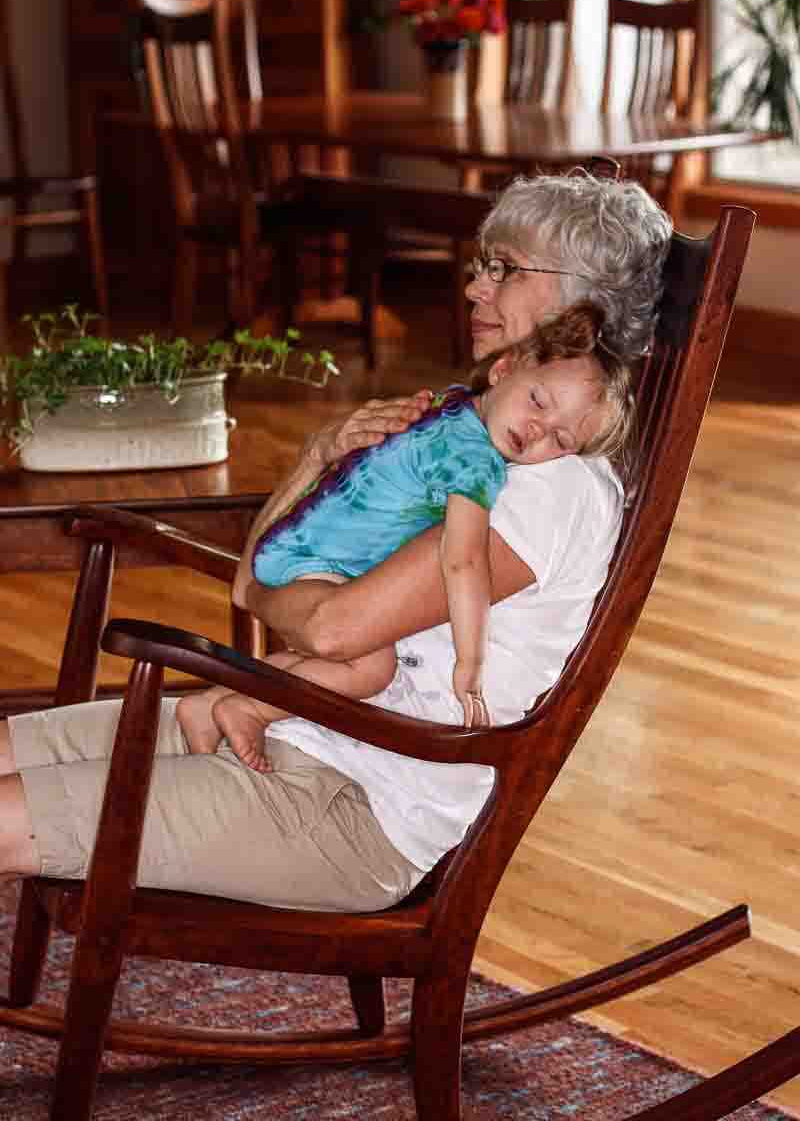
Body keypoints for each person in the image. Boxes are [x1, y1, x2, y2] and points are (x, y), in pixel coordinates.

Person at [0, 170, 672, 913]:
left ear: (579, 299)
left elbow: (327, 625)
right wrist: (318, 457)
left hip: (351, 806)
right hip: (285, 726)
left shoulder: (556, 483)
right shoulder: (466, 434)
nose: (475, 287)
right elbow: (267, 582)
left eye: (504, 269)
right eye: (482, 266)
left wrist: (262, 590)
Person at [176, 302, 636, 769]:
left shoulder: (448, 407)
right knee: (372, 667)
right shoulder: (474, 461)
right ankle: (246, 706)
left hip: (297, 541)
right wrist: (469, 664)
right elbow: (463, 560)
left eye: (560, 441)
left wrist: (257, 585)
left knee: (345, 663)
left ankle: (217, 699)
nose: (539, 430)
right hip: (321, 562)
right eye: (538, 402)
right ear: (503, 369)